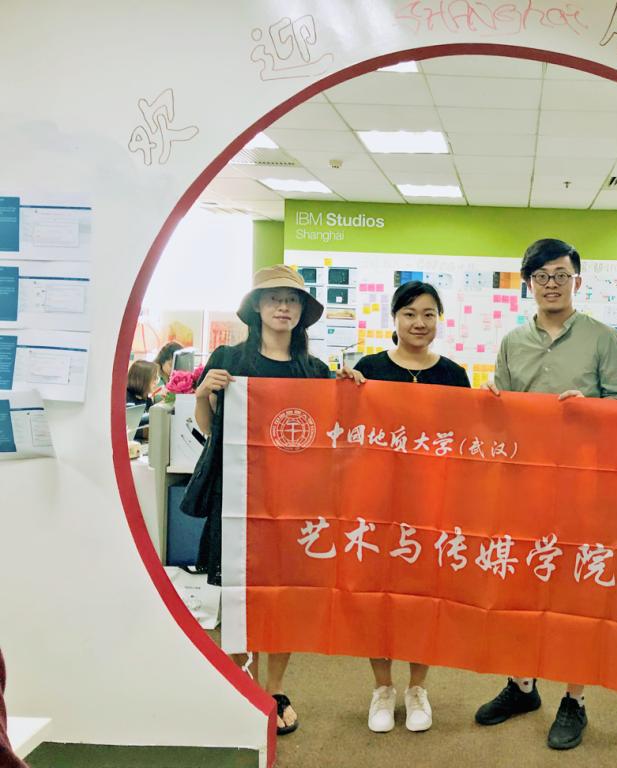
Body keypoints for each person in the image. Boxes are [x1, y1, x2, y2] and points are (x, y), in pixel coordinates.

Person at [191, 264, 362, 736]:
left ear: (302, 312)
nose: (283, 308)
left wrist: (352, 391)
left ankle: (276, 689)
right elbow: (208, 428)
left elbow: (334, 436)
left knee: (283, 599)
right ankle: (241, 687)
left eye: (291, 300)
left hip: (295, 502)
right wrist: (204, 393)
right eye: (273, 299)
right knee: (238, 595)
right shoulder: (229, 359)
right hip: (237, 496)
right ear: (257, 308)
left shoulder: (314, 371)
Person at [476, 238, 617, 751]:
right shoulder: (512, 341)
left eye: (561, 275)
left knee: (574, 592)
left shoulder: (602, 338)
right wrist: (491, 403)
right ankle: (522, 686)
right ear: (529, 284)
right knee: (521, 587)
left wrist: (591, 406)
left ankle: (574, 699)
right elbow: (500, 417)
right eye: (541, 276)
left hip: (581, 487)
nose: (551, 284)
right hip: (523, 486)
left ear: (576, 281)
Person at [353, 280, 470, 735]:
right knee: (377, 597)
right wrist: (346, 390)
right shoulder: (368, 369)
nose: (419, 323)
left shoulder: (454, 375)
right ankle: (382, 687)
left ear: (439, 319)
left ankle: (417, 688)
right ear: (394, 318)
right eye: (409, 314)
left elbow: (468, 438)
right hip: (377, 503)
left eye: (428, 314)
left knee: (425, 597)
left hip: (432, 504)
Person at [125, 360, 159, 440]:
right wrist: (144, 432)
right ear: (142, 379)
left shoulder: (147, 399)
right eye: (154, 378)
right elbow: (126, 429)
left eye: (157, 378)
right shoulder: (127, 399)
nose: (156, 382)